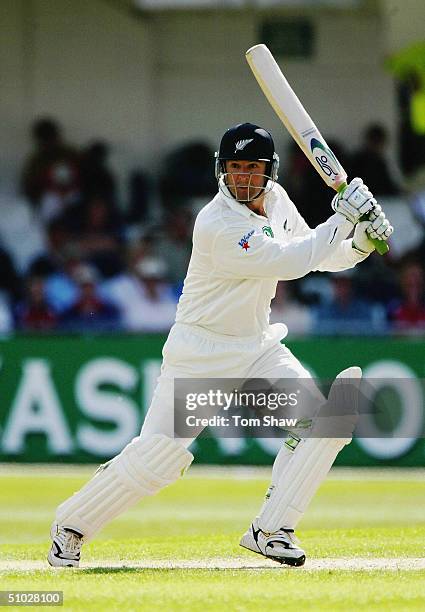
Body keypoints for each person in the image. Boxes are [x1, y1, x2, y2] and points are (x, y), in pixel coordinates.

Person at [47, 123, 393, 568]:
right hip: (202, 354)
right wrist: (344, 216)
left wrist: (357, 245)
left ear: (269, 170)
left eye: (252, 167)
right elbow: (289, 261)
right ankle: (70, 526)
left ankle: (271, 529)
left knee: (326, 422)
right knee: (160, 458)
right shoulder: (217, 223)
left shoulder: (276, 200)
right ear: (220, 170)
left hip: (257, 344)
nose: (243, 177)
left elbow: (315, 252)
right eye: (234, 167)